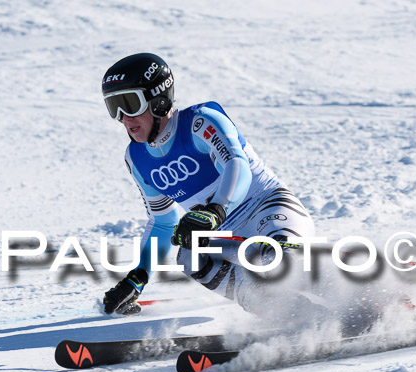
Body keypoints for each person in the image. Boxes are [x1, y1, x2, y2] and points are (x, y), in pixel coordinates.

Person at [100, 53, 316, 316]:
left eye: (129, 104)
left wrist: (216, 209)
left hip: (269, 211)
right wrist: (138, 277)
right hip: (229, 238)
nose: (123, 117)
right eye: (114, 107)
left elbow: (237, 165)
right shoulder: (137, 159)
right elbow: (162, 222)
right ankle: (274, 309)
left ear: (158, 99)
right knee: (189, 256)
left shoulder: (200, 122)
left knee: (281, 267)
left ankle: (359, 295)